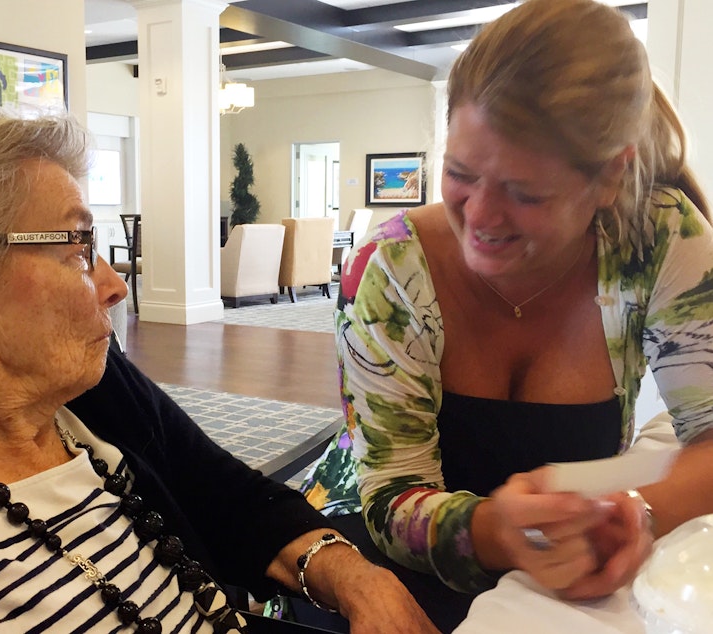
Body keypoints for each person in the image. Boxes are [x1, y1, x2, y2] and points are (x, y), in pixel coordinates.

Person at [0, 101, 437, 634]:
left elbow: (227, 496)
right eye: (79, 249)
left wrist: (357, 578)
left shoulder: (94, 394)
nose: (115, 287)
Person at [305, 0, 713, 631]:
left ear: (611, 177)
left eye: (525, 193)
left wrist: (643, 512)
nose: (482, 218)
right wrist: (503, 531)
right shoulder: (389, 271)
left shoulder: (656, 239)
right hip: (379, 556)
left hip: (560, 573)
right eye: (460, 174)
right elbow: (389, 499)